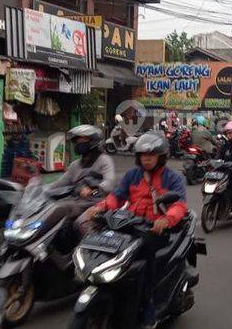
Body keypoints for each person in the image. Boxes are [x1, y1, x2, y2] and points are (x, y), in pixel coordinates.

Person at [81, 131, 187, 329]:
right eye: (143, 155)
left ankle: (148, 309)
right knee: (100, 241)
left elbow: (179, 205)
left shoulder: (172, 178)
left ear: (161, 156)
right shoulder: (132, 175)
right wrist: (99, 207)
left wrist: (166, 219)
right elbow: (117, 197)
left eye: (151, 155)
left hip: (154, 231)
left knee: (144, 262)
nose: (146, 159)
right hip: (129, 225)